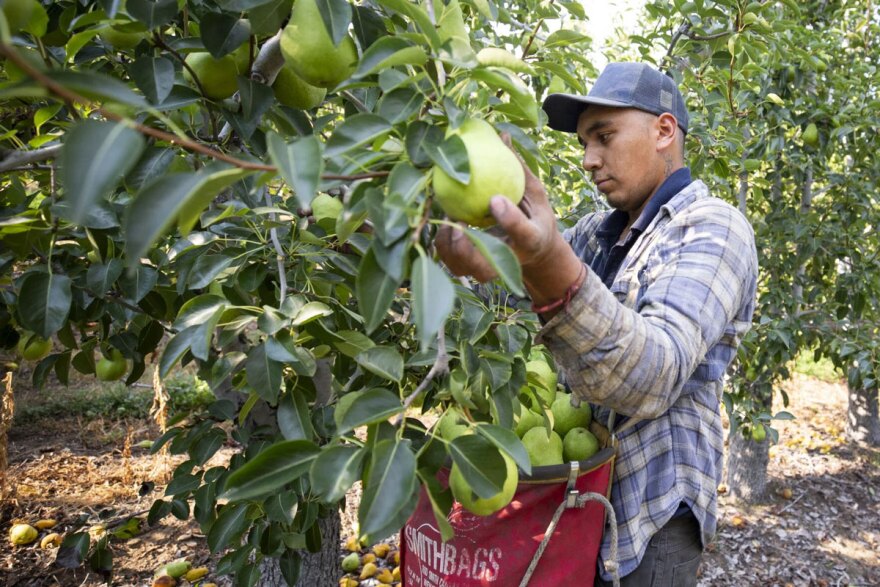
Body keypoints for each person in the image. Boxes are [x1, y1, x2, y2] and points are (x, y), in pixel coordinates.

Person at [436, 62, 759, 586]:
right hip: (570, 505)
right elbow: (511, 305)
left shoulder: (714, 228)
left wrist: (547, 263)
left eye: (604, 137)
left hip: (649, 517)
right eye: (585, 143)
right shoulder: (592, 234)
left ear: (663, 130)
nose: (588, 160)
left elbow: (655, 372)